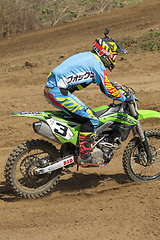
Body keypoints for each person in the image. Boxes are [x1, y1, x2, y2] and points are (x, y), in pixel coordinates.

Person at [44, 29, 131, 167]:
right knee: (91, 119)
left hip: (54, 89)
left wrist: (109, 85)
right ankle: (85, 156)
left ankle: (72, 148)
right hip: (57, 91)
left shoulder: (89, 57)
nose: (114, 59)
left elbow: (81, 81)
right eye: (114, 55)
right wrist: (123, 97)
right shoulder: (97, 64)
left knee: (79, 117)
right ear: (106, 53)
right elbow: (106, 88)